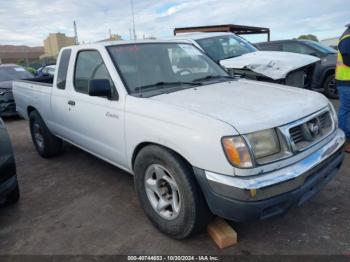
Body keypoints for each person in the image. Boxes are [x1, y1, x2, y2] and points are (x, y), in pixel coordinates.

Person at [336, 23, 350, 153]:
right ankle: (344, 140)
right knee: (346, 110)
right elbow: (347, 61)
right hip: (346, 81)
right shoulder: (347, 38)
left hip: (347, 80)